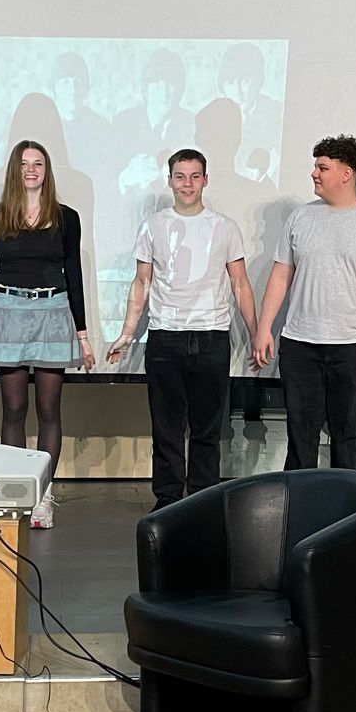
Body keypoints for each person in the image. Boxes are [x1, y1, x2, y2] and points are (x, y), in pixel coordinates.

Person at [0, 141, 96, 528]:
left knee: (48, 409)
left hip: (53, 312)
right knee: (13, 408)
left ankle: (42, 496)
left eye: (38, 163)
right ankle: (15, 491)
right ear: (15, 169)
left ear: (47, 170)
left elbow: (75, 275)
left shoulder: (66, 217)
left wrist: (82, 334)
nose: (31, 169)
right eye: (25, 163)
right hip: (7, 312)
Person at [252, 135, 356, 471]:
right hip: (301, 345)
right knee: (301, 436)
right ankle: (300, 501)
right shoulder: (301, 218)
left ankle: (344, 502)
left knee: (347, 435)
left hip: (354, 347)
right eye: (316, 166)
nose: (314, 173)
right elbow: (281, 275)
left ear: (346, 173)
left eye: (323, 167)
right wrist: (264, 327)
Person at [105, 148, 257, 510]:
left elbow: (239, 283)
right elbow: (141, 282)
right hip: (165, 338)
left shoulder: (224, 227)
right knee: (167, 428)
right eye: (180, 176)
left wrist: (256, 333)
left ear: (205, 180)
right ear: (170, 180)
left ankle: (202, 501)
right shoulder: (153, 226)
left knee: (207, 428)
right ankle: (168, 500)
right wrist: (127, 332)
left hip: (211, 336)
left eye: (194, 176)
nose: (187, 184)